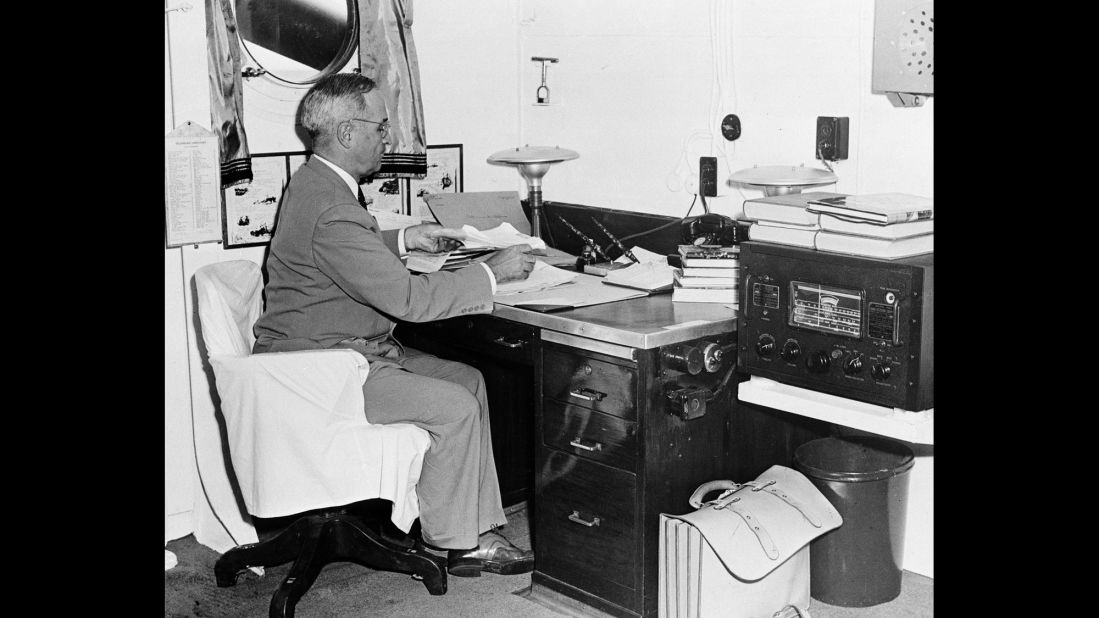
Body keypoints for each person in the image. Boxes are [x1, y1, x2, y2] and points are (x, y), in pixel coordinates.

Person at [252, 72, 538, 577]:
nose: (389, 137)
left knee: (468, 379)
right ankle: (454, 544)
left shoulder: (315, 184)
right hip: (320, 372)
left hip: (335, 351)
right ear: (346, 133)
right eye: (381, 127)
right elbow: (409, 301)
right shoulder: (331, 205)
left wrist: (404, 242)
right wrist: (492, 273)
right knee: (453, 405)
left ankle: (474, 524)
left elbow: (336, 255)